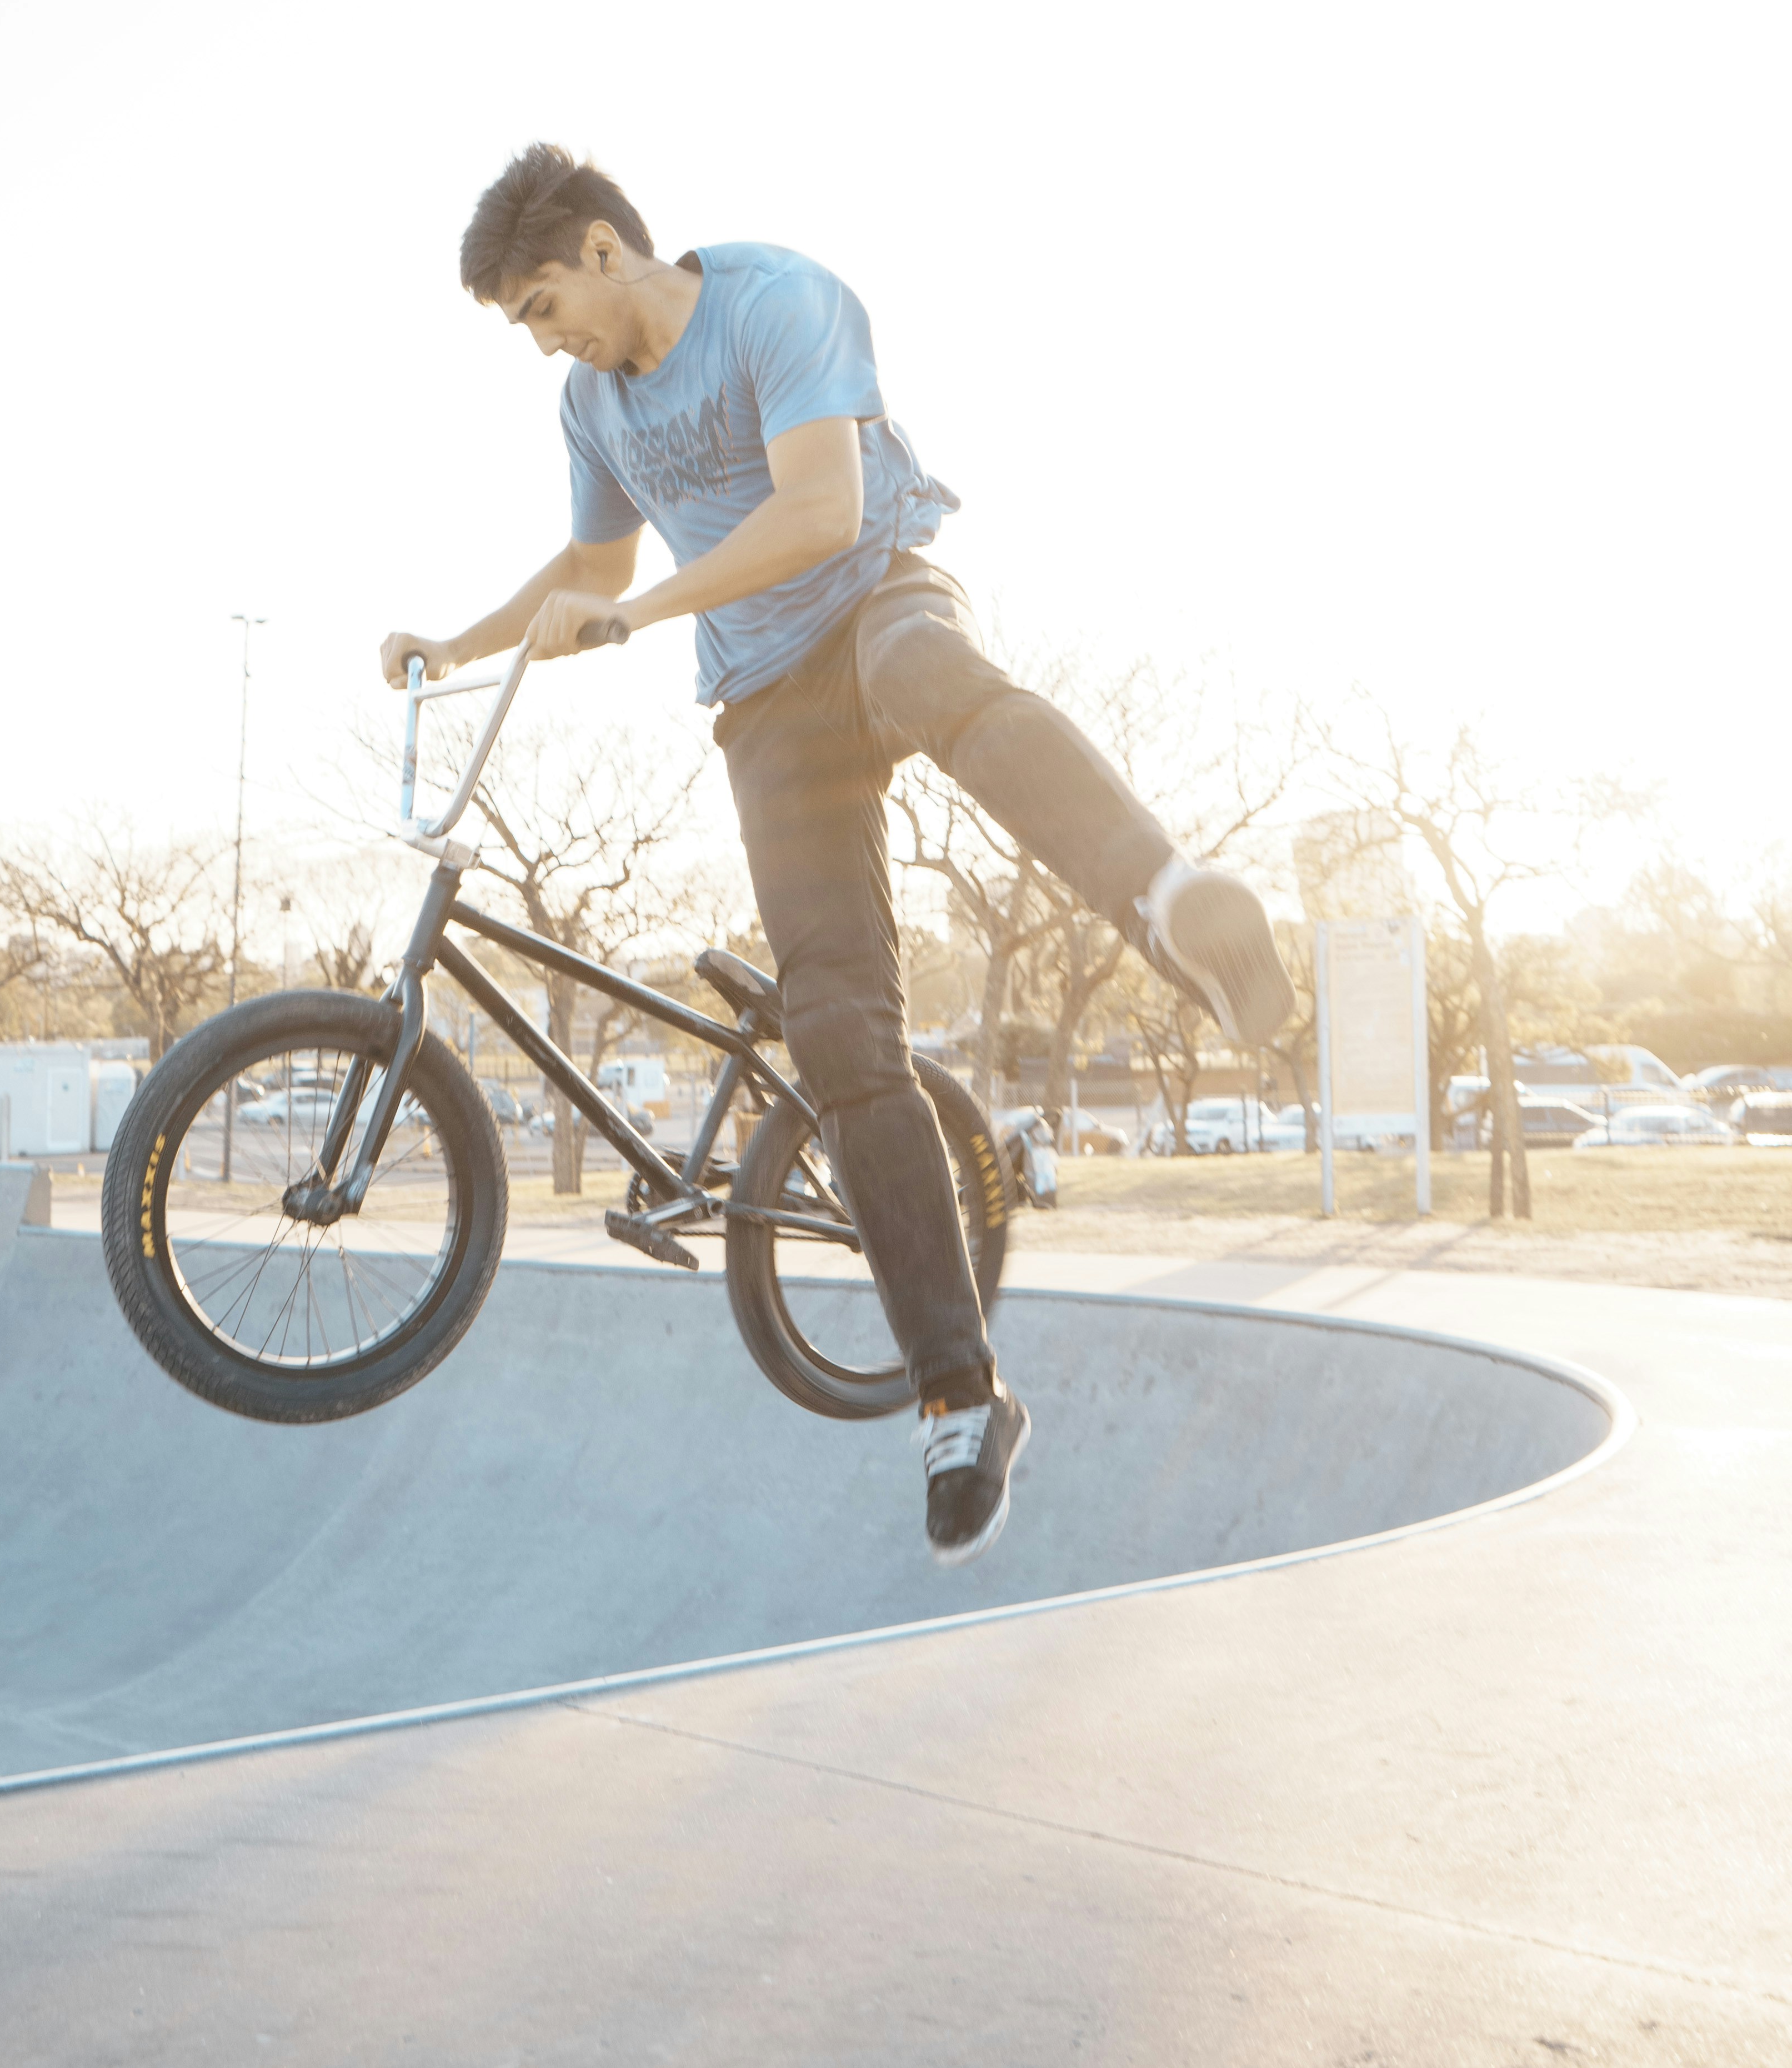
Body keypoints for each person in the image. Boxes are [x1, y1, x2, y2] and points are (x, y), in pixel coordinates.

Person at [382, 146, 1294, 1566]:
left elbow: (815, 510)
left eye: (544, 302)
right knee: (839, 1038)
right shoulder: (588, 403)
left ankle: (1168, 900)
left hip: (877, 598)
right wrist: (456, 642)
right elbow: (592, 574)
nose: (543, 337)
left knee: (935, 678)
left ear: (608, 250)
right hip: (764, 701)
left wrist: (640, 618)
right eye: (524, 322)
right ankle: (957, 1393)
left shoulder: (778, 303)